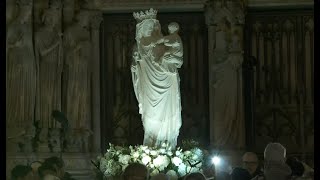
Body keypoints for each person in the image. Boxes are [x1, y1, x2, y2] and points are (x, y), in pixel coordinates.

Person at [132, 8, 183, 149]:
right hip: (148, 83)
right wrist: (135, 66)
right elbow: (136, 67)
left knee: (168, 113)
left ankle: (166, 144)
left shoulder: (162, 43)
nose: (150, 29)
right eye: (147, 26)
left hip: (166, 81)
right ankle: (151, 144)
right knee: (150, 117)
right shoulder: (138, 47)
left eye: (152, 26)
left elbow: (175, 60)